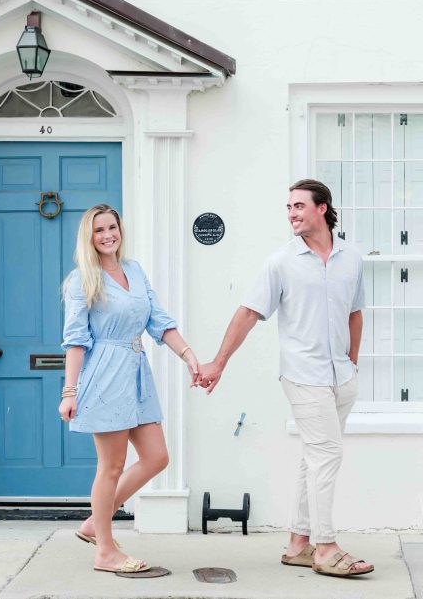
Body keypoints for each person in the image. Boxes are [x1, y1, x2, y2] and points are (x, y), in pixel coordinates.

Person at [197, 179, 374, 578]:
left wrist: (353, 363)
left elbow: (356, 312)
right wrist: (219, 362)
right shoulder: (280, 262)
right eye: (288, 207)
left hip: (341, 376)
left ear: (323, 208)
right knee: (327, 456)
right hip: (303, 374)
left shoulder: (352, 258)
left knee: (313, 460)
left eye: (298, 206)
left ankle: (298, 543)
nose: (292, 213)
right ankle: (326, 548)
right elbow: (248, 313)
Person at [59, 204, 199, 576]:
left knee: (157, 457)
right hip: (104, 373)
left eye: (112, 227)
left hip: (136, 371)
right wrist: (69, 392)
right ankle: (105, 550)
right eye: (99, 230)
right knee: (112, 466)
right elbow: (75, 340)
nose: (108, 235)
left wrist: (188, 355)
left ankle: (94, 523)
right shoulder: (81, 280)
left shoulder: (134, 271)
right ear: (88, 238)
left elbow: (159, 320)